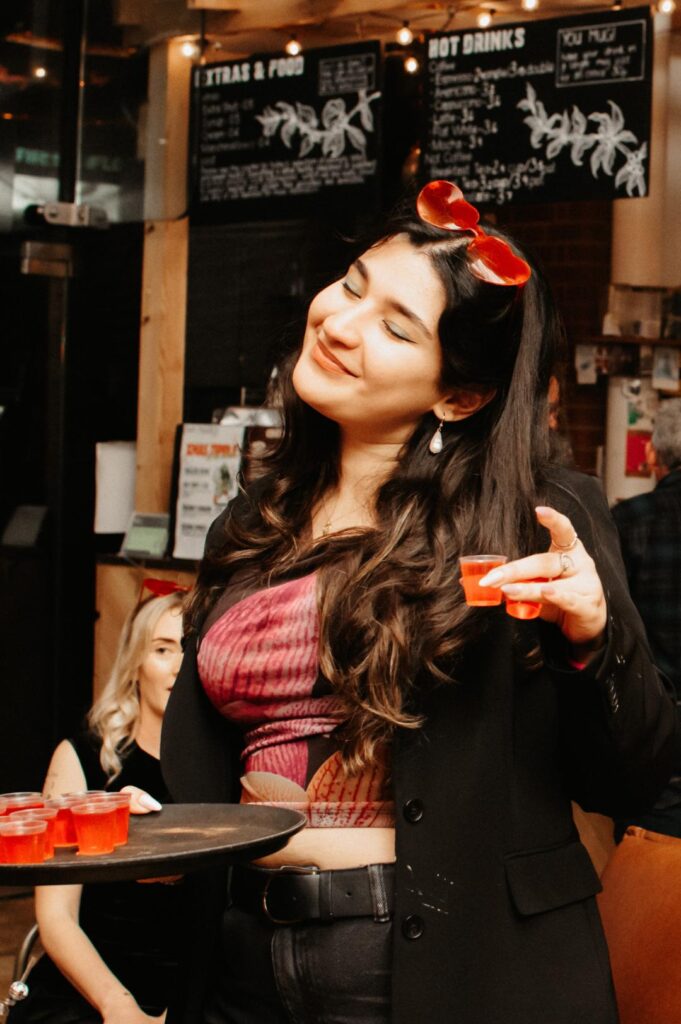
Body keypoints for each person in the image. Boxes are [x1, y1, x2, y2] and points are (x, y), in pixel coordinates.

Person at [161, 180, 679, 1024]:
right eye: (352, 285)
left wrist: (593, 638)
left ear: (459, 395)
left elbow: (632, 775)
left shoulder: (534, 519)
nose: (339, 323)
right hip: (245, 957)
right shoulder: (251, 523)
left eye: (395, 327)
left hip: (451, 965)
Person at [11, 588, 185, 1024]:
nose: (179, 666)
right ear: (135, 663)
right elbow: (56, 916)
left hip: (194, 985)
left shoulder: (224, 766)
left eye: (189, 650)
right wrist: (117, 1005)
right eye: (162, 649)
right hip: (93, 984)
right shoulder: (83, 758)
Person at [611, 397, 681, 837]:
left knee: (646, 855)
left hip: (656, 730)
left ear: (654, 455)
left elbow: (611, 634)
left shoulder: (629, 520)